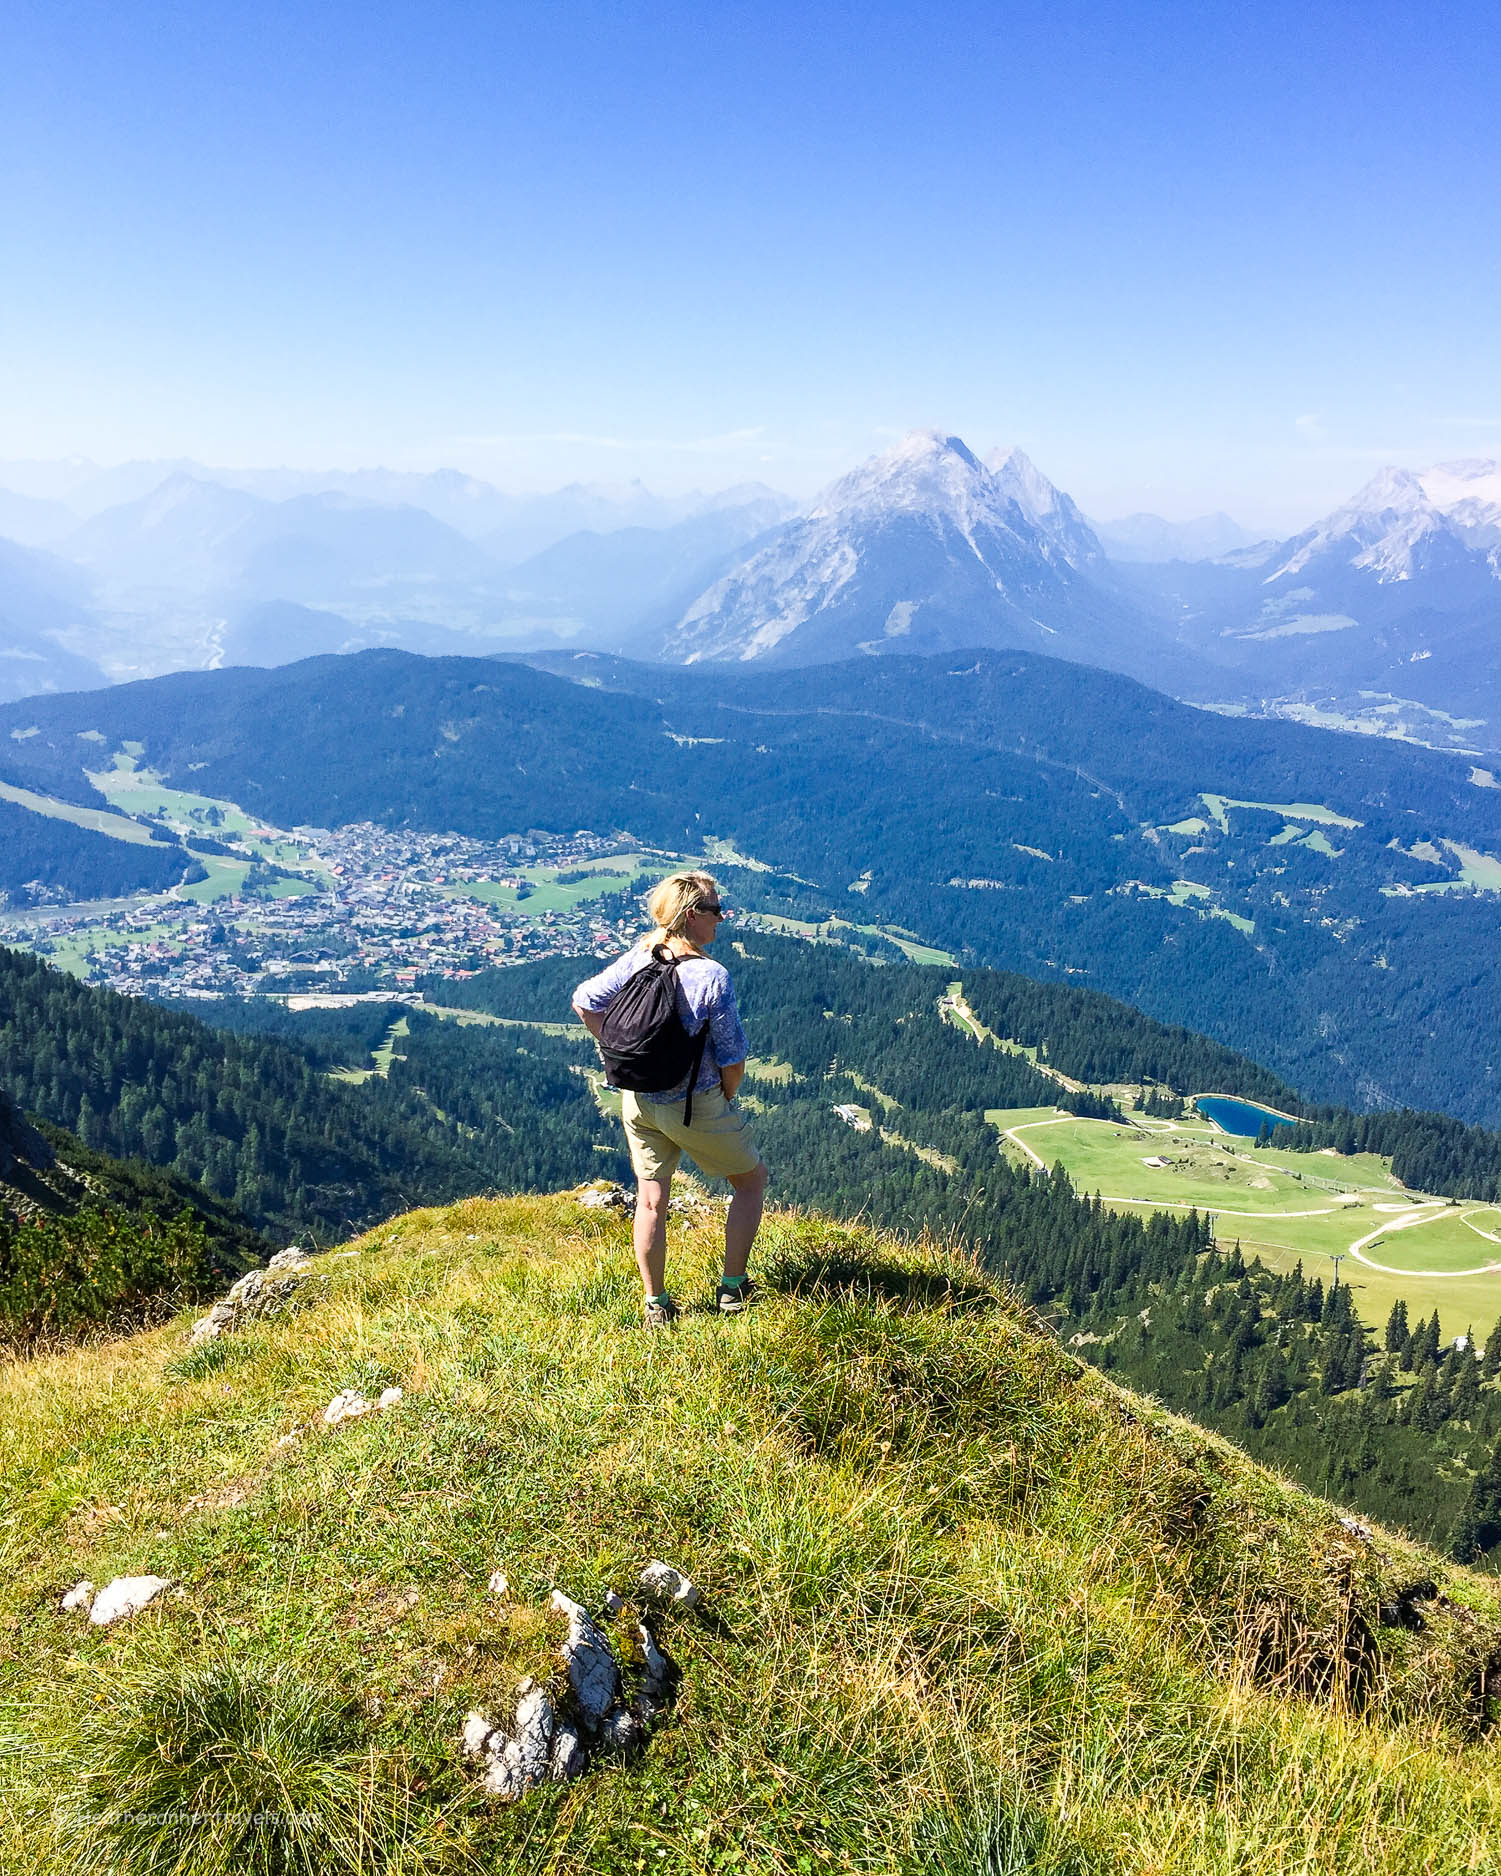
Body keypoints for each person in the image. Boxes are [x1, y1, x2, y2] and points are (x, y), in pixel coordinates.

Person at [572, 870, 769, 1327]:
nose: (722, 918)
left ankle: (656, 1305)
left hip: (638, 1100)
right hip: (693, 1103)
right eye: (715, 909)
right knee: (751, 1181)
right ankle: (733, 1289)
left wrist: (622, 1053)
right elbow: (733, 1056)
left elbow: (585, 1000)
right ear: (692, 915)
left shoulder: (641, 956)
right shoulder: (711, 975)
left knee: (650, 1199)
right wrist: (723, 1097)